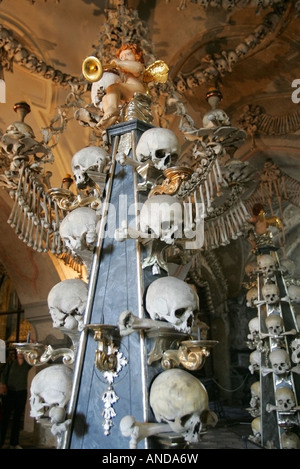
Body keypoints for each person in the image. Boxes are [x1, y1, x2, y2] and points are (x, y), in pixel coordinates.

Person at [99, 43, 146, 128]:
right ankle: (112, 117)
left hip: (137, 89)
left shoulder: (139, 65)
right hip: (129, 92)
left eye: (128, 54)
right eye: (121, 57)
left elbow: (137, 70)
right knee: (106, 97)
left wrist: (120, 63)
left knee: (114, 87)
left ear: (137, 56)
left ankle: (112, 109)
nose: (124, 58)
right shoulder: (125, 76)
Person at [0, 350, 31, 449]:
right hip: (10, 393)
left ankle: (14, 443)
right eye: (19, 352)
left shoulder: (27, 364)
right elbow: (3, 376)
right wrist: (3, 386)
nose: (20, 354)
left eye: (22, 352)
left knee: (17, 419)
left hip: (21, 393)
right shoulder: (10, 364)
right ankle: (0, 442)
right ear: (17, 353)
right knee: (5, 419)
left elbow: (36, 359)